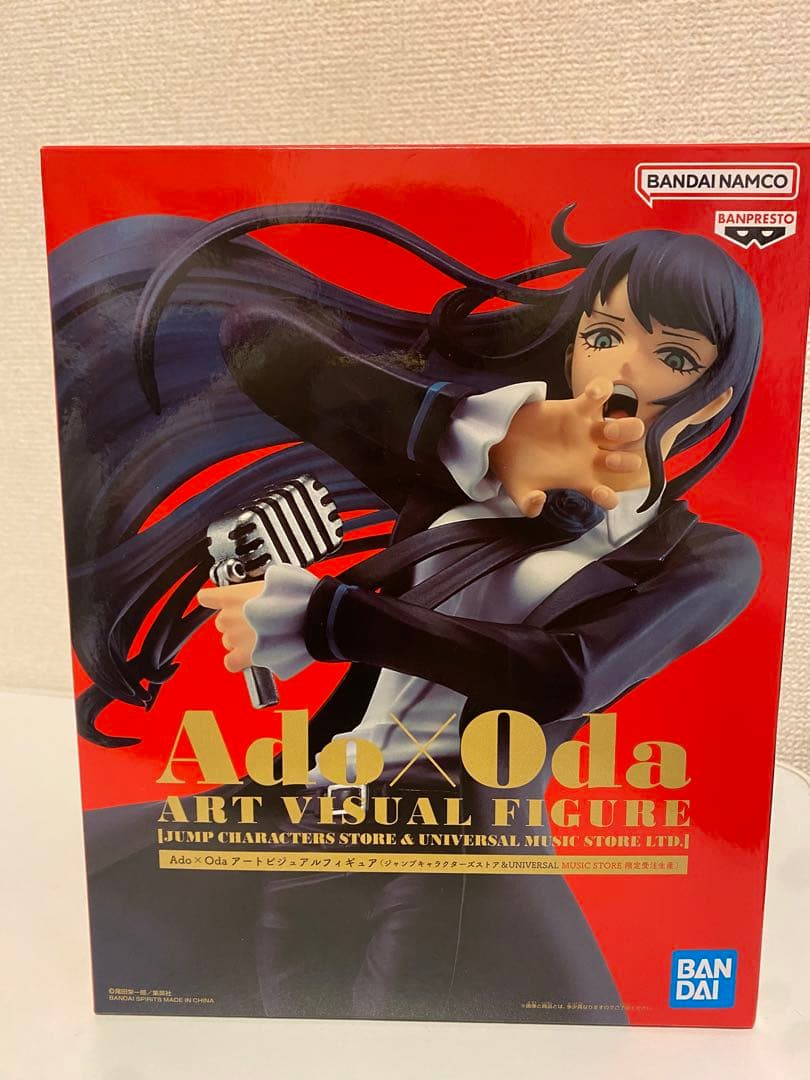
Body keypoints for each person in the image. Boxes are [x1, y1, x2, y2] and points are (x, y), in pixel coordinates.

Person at [53, 204, 762, 1022]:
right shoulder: (471, 476)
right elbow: (256, 343)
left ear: (712, 397)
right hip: (314, 818)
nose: (622, 373)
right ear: (573, 345)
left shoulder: (702, 557)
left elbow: (565, 675)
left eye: (673, 356)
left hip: (446, 857)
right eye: (603, 335)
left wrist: (332, 619)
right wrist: (480, 434)